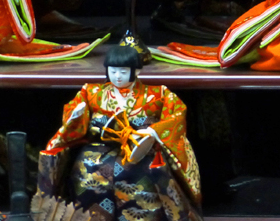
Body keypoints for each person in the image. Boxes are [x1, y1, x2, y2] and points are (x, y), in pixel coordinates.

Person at [35, 43, 203, 221]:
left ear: (136, 71)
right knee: (85, 169)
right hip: (99, 148)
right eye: (113, 71)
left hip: (139, 151)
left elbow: (176, 114)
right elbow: (73, 115)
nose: (117, 76)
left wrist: (153, 131)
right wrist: (76, 116)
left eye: (123, 71)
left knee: (141, 175)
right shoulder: (92, 92)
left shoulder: (157, 94)